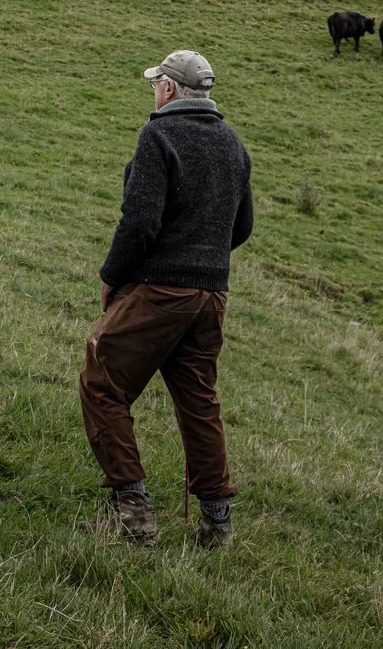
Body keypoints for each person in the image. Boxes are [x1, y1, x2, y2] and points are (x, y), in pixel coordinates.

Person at [80, 49, 254, 547]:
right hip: (211, 295)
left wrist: (113, 276)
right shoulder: (233, 145)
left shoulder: (159, 134)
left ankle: (132, 510)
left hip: (160, 290)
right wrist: (203, 260)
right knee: (199, 401)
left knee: (101, 379)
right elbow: (242, 226)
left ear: (171, 90)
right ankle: (217, 523)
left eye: (157, 83)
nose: (153, 90)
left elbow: (139, 223)